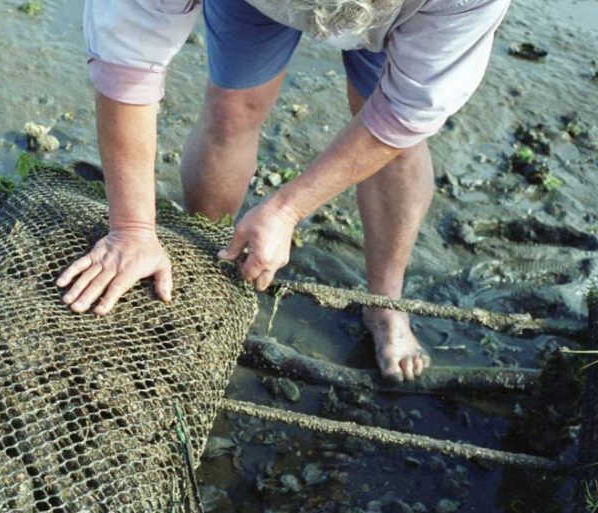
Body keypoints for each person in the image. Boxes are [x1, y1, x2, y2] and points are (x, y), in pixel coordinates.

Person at [56, 0, 511, 382]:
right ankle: (208, 264)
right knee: (233, 109)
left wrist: (288, 209)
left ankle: (386, 302)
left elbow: (405, 113)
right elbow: (128, 60)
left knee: (399, 145)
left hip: (404, 15)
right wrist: (132, 228)